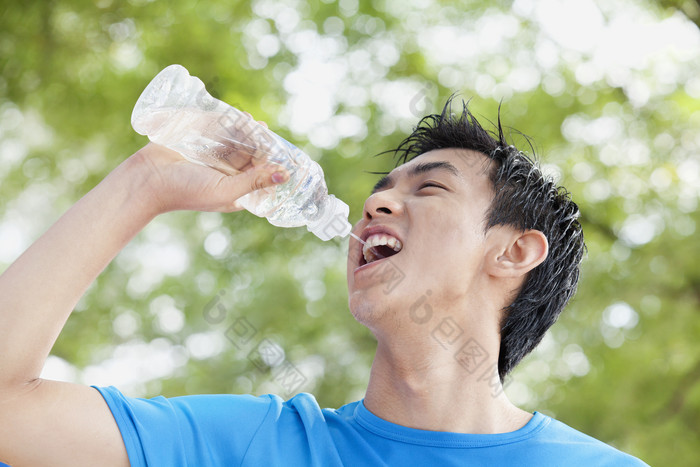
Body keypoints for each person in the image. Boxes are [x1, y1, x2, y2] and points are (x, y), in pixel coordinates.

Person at [0, 98, 648, 466]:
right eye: (378, 194)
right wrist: (145, 183)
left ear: (513, 251)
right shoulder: (255, 446)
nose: (376, 206)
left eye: (428, 187)